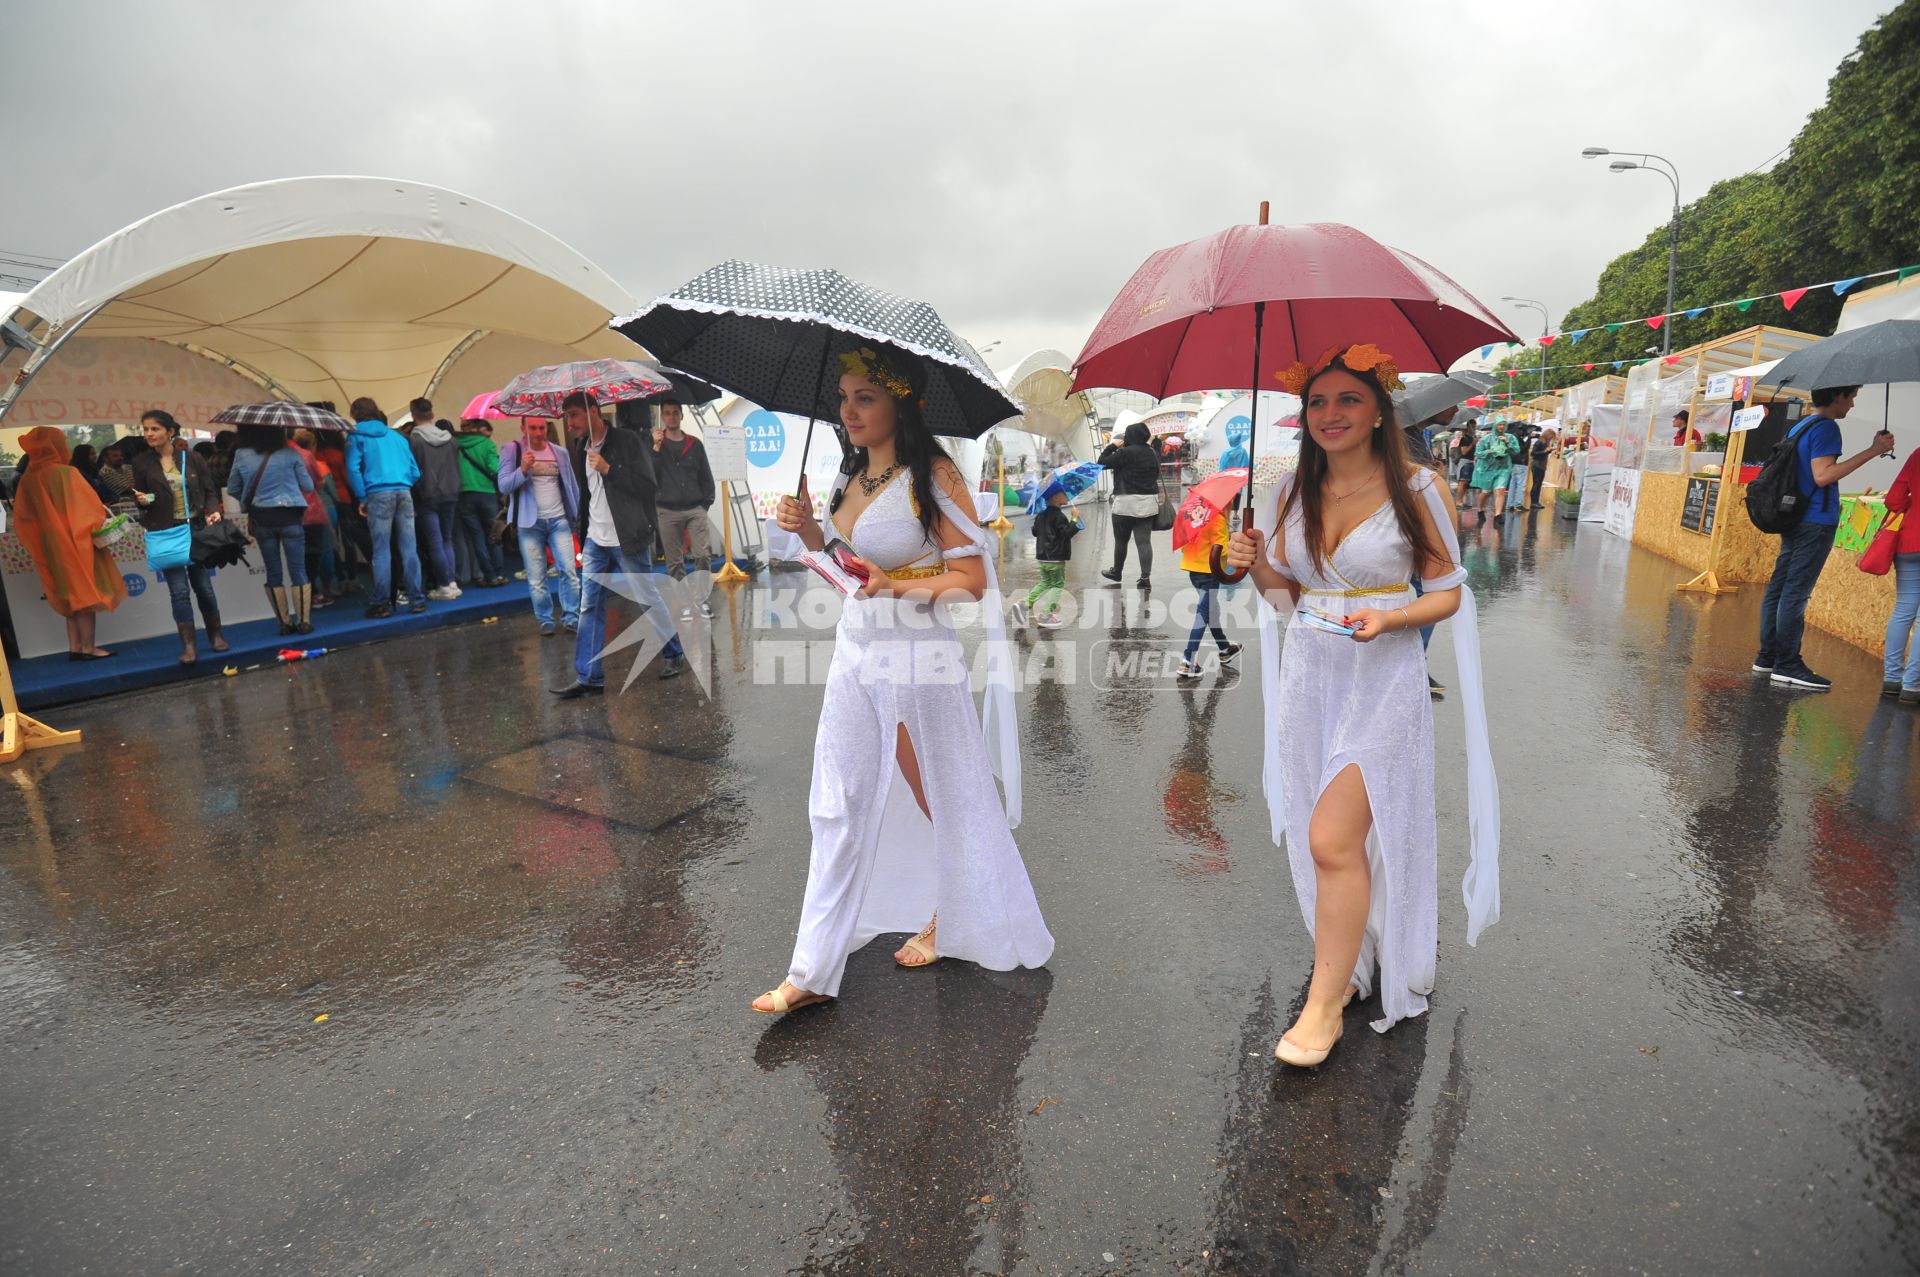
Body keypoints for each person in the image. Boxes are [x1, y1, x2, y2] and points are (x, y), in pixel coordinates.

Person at [1224, 342, 1497, 1068]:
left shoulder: (1418, 486)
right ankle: (1345, 966)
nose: (1330, 414)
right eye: (1317, 401)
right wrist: (1255, 568)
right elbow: (1289, 604)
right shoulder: (1287, 492)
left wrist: (1394, 619)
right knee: (1327, 841)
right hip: (1311, 682)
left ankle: (1323, 1004)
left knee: (1330, 838)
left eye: (1348, 398)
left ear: (1381, 409)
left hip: (1383, 682)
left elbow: (1447, 590)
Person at [758, 344, 1052, 1016]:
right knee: (836, 798)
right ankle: (812, 967)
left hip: (919, 657)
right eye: (844, 397)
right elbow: (842, 563)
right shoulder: (848, 470)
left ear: (901, 402)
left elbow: (972, 583)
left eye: (866, 397)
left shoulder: (936, 476)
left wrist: (899, 586)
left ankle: (955, 911)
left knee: (939, 794)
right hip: (855, 652)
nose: (849, 410)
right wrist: (805, 534)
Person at [1755, 387, 1895, 691]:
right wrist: (1873, 450)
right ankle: (1787, 664)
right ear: (1838, 397)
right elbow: (1823, 475)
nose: (1853, 403)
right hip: (1815, 519)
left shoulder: (1801, 424)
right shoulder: (1828, 428)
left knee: (1779, 588)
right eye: (1852, 396)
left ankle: (1767, 657)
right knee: (1795, 593)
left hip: (1794, 516)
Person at [553, 392, 685, 695]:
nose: (569, 423)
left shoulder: (626, 441)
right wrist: (581, 529)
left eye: (573, 415)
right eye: (567, 417)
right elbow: (588, 496)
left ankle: (673, 652)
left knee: (646, 598)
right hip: (595, 540)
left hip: (627, 536)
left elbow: (647, 486)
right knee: (589, 606)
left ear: (593, 412)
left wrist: (610, 469)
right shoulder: (580, 447)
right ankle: (589, 676)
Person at [12, 426, 127, 659]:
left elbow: (23, 517)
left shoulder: (29, 480)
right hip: (76, 541)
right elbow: (88, 510)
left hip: (51, 547)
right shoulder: (66, 473)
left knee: (69, 596)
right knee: (85, 593)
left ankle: (75, 647)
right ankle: (88, 647)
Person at [131, 409, 228, 663]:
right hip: (165, 532)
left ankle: (216, 636)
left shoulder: (192, 458)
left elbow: (209, 491)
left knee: (204, 587)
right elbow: (142, 499)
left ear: (170, 432)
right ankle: (189, 646)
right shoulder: (142, 463)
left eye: (154, 429)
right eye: (146, 429)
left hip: (195, 529)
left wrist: (213, 511)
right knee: (179, 592)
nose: (149, 434)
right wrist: (142, 500)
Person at [227, 423, 316, 634]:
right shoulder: (290, 453)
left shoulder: (242, 454)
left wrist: (252, 498)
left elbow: (233, 488)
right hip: (290, 517)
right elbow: (309, 486)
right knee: (298, 570)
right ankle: (304, 621)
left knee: (273, 572)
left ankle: (284, 624)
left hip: (262, 519)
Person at [497, 417, 582, 635]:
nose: (538, 432)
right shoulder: (512, 450)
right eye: (532, 428)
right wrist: (523, 470)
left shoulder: (559, 452)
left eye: (542, 427)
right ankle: (545, 619)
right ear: (523, 428)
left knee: (569, 571)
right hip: (529, 523)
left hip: (559, 520)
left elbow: (571, 485)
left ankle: (571, 616)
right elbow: (504, 485)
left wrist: (577, 513)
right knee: (536, 576)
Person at [344, 397, 426, 618]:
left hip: (377, 493)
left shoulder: (356, 435)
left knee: (381, 551)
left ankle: (382, 602)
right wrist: (403, 481)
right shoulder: (396, 436)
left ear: (355, 415)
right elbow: (415, 471)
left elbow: (352, 468)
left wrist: (362, 497)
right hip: (404, 491)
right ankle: (417, 599)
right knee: (409, 547)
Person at [651, 400, 718, 619]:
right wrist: (655, 448)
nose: (671, 417)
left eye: (675, 413)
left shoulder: (694, 445)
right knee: (674, 561)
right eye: (667, 413)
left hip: (694, 507)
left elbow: (706, 476)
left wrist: (704, 504)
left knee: (702, 555)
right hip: (667, 510)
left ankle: (701, 599)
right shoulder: (656, 445)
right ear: (662, 417)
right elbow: (649, 475)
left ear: (681, 416)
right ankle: (685, 603)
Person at [1175, 507, 1242, 678]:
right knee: (1204, 613)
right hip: (1209, 572)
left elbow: (1184, 546)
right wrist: (1232, 540)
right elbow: (1221, 549)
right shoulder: (1217, 519)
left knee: (1212, 610)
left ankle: (1225, 648)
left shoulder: (1193, 517)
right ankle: (1188, 660)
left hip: (1193, 570)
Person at [1099, 420, 1161, 587]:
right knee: (1144, 541)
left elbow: (1101, 463)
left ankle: (1116, 572)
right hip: (1148, 503)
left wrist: (1112, 446)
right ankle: (1145, 578)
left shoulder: (1125, 452)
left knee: (1121, 541)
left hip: (1125, 503)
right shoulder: (1153, 453)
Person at [409, 416, 463, 600]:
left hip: (428, 495)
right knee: (447, 539)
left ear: (414, 414)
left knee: (435, 542)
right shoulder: (451, 440)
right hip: (451, 492)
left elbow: (414, 470)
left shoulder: (415, 440)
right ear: (432, 415)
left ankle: (444, 584)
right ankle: (452, 581)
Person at [1883, 445, 1920, 704]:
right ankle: (1912, 685)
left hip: (1909, 541)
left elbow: (1894, 500)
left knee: (1903, 610)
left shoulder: (1918, 453)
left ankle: (1892, 679)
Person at [1012, 488, 1078, 629]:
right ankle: (1046, 615)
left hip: (1042, 557)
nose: (1067, 496)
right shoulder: (1060, 517)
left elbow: (1035, 532)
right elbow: (1066, 533)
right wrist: (1074, 519)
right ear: (1055, 497)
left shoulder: (1040, 515)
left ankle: (1024, 604)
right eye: (1064, 494)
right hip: (1056, 557)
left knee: (1045, 582)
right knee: (1057, 585)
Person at [455, 418, 508, 588]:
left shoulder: (456, 445)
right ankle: (499, 574)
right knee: (493, 535)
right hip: (487, 495)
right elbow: (494, 469)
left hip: (465, 495)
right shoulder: (487, 444)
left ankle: (489, 576)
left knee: (476, 537)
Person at [1471, 420, 1519, 518]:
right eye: (1499, 424)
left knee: (1500, 490)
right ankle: (1480, 509)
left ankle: (1498, 515)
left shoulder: (1510, 437)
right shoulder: (1486, 439)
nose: (1501, 426)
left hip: (1503, 468)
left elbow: (1516, 451)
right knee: (1486, 492)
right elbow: (1478, 453)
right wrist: (1489, 451)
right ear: (1495, 425)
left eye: (1503, 424)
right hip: (1488, 468)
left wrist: (1507, 443)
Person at [1527, 427, 1557, 510]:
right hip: (1537, 465)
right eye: (1551, 436)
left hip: (1541, 465)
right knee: (1536, 484)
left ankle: (1536, 501)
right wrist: (1545, 451)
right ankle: (1533, 502)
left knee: (1539, 483)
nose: (1551, 438)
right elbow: (1533, 453)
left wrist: (1548, 451)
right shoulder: (1539, 442)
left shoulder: (1545, 442)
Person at [1450, 422, 1478, 507]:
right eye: (1473, 426)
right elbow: (1464, 452)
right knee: (1462, 482)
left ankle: (1461, 501)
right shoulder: (1465, 439)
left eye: (1475, 426)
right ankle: (1459, 502)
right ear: (1468, 427)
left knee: (1465, 483)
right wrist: (1472, 443)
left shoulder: (1471, 438)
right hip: (1465, 462)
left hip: (1470, 462)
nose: (1474, 428)